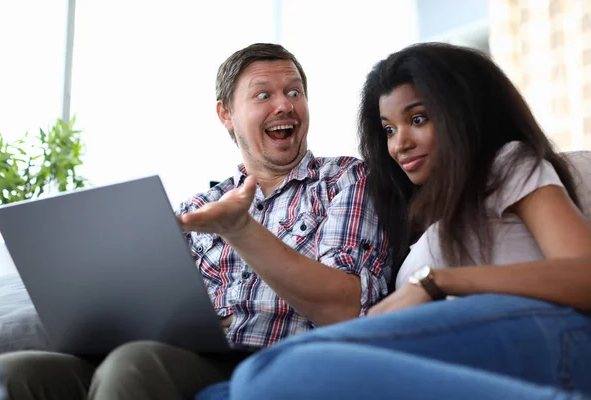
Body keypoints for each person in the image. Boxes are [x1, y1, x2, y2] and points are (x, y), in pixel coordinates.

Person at [0, 43, 391, 399]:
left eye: (294, 92)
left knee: (134, 365)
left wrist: (240, 231)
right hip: (188, 354)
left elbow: (345, 307)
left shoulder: (343, 179)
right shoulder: (198, 207)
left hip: (270, 361)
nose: (284, 105)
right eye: (263, 95)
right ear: (226, 114)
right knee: (17, 372)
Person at [194, 42, 591, 399]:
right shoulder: (423, 223)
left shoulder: (505, 164)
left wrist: (436, 282)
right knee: (227, 391)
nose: (399, 143)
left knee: (270, 372)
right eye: (388, 129)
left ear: (461, 113)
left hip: (543, 335)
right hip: (458, 353)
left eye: (417, 119)